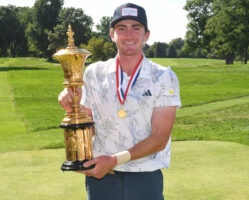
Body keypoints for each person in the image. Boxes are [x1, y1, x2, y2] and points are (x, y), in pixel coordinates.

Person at [58, 3, 181, 200]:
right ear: (112, 34)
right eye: (121, 28)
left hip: (145, 178)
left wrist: (114, 160)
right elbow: (90, 129)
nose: (128, 35)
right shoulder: (93, 73)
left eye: (136, 28)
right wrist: (73, 107)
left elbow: (159, 139)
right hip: (102, 178)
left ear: (146, 35)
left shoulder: (163, 77)